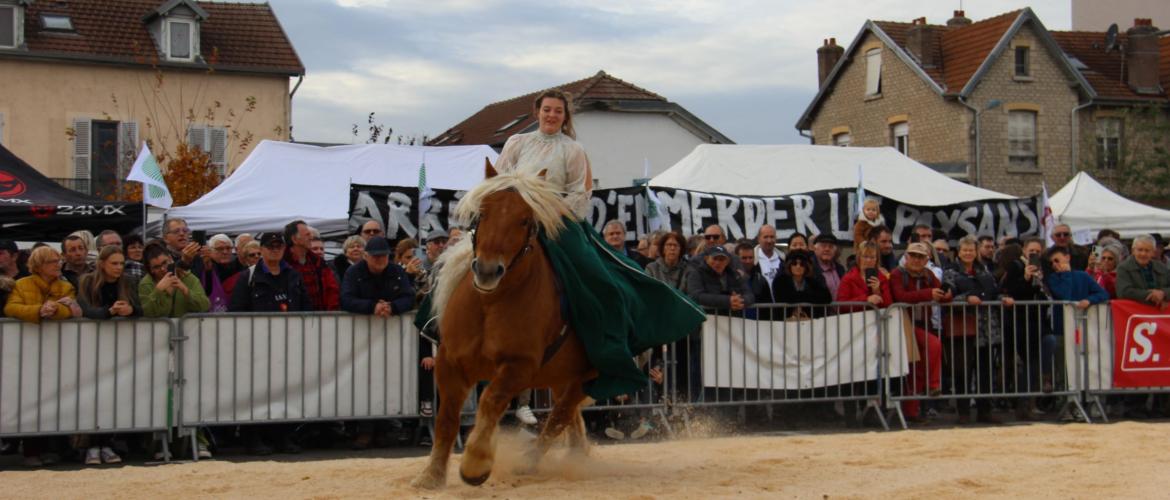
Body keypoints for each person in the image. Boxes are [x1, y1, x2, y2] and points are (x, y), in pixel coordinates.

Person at [485, 88, 704, 401]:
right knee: (474, 257)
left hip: (558, 223)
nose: (551, 115)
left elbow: (580, 193)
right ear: (537, 112)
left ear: (565, 116)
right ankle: (443, 323)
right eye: (546, 110)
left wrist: (550, 210)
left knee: (600, 279)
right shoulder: (516, 142)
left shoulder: (572, 149)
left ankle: (612, 350)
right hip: (515, 222)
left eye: (557, 111)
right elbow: (498, 183)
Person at [229, 232, 310, 454]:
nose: (275, 250)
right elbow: (235, 311)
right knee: (255, 393)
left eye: (278, 246)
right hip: (256, 345)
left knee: (285, 392)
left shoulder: (293, 275)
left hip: (288, 343)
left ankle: (283, 436)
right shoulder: (248, 277)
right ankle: (252, 437)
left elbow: (305, 306)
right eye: (270, 246)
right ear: (262, 249)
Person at [340, 236, 416, 448]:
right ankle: (364, 429)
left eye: (384, 256)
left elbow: (408, 297)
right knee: (362, 382)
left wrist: (392, 308)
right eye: (376, 257)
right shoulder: (353, 272)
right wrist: (372, 307)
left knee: (388, 380)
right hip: (360, 337)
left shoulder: (397, 272)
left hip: (390, 337)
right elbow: (345, 299)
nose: (380, 260)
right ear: (366, 257)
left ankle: (383, 429)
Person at [944, 236, 1013, 425]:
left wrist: (1002, 298)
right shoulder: (950, 271)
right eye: (965, 250)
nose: (968, 253)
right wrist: (965, 299)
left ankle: (985, 411)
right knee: (962, 371)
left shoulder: (984, 270)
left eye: (971, 250)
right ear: (958, 251)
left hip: (986, 328)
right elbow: (946, 297)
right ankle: (963, 412)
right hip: (963, 328)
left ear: (976, 252)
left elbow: (993, 291)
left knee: (986, 370)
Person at [889, 242, 948, 424]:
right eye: (913, 256)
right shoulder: (898, 274)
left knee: (918, 370)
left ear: (926, 260)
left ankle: (911, 411)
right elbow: (900, 297)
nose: (916, 260)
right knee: (934, 345)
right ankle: (934, 385)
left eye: (920, 257)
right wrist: (928, 293)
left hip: (923, 323)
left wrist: (946, 296)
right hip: (904, 325)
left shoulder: (929, 275)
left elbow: (941, 293)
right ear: (906, 257)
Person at [140, 243, 210, 318]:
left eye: (164, 263)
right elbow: (147, 313)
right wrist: (158, 291)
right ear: (150, 269)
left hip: (187, 328)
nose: (163, 269)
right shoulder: (146, 283)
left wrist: (185, 290)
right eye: (156, 267)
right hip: (159, 329)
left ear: (170, 259)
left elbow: (205, 306)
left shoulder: (187, 277)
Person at [283, 219, 340, 311]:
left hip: (319, 317)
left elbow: (331, 290)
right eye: (307, 234)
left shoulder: (318, 262)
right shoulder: (282, 264)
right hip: (292, 319)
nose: (311, 237)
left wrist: (330, 313)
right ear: (294, 239)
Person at [77, 246, 141, 320]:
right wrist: (110, 311)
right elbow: (84, 310)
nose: (119, 267)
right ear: (102, 264)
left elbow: (142, 308)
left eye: (122, 263)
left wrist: (132, 310)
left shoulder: (129, 281)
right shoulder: (87, 281)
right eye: (114, 263)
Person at [687, 245, 754, 315]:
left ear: (727, 261)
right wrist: (727, 301)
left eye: (721, 259)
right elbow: (696, 296)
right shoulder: (696, 273)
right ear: (706, 259)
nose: (718, 262)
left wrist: (740, 301)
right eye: (714, 259)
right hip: (707, 319)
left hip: (733, 320)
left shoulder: (735, 274)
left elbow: (749, 295)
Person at [771, 249, 831, 318]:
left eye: (802, 264)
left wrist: (799, 298)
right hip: (784, 321)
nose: (798, 266)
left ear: (806, 267)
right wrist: (808, 298)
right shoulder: (780, 281)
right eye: (794, 263)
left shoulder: (813, 281)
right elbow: (782, 299)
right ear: (789, 265)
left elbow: (827, 297)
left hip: (809, 321)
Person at [1116, 234, 1170, 307]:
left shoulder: (1162, 267)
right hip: (1134, 313)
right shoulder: (1123, 268)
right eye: (1140, 250)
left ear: (1153, 252)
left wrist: (1163, 293)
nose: (1143, 254)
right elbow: (1124, 292)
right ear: (1133, 251)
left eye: (1147, 250)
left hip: (1160, 315)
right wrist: (1152, 295)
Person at [836, 241, 892, 308]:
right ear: (859, 258)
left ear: (876, 260)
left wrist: (877, 292)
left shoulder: (882, 278)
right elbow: (841, 305)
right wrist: (866, 300)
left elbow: (889, 305)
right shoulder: (848, 278)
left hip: (877, 317)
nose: (868, 260)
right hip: (855, 318)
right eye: (865, 256)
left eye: (872, 257)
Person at [811, 233, 845, 298]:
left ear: (835, 250)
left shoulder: (840, 269)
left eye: (831, 246)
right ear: (815, 249)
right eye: (823, 246)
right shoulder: (809, 268)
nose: (827, 249)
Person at [754, 224, 783, 291]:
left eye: (772, 237)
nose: (769, 241)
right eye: (765, 237)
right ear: (758, 239)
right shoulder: (753, 261)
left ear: (776, 238)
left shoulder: (783, 259)